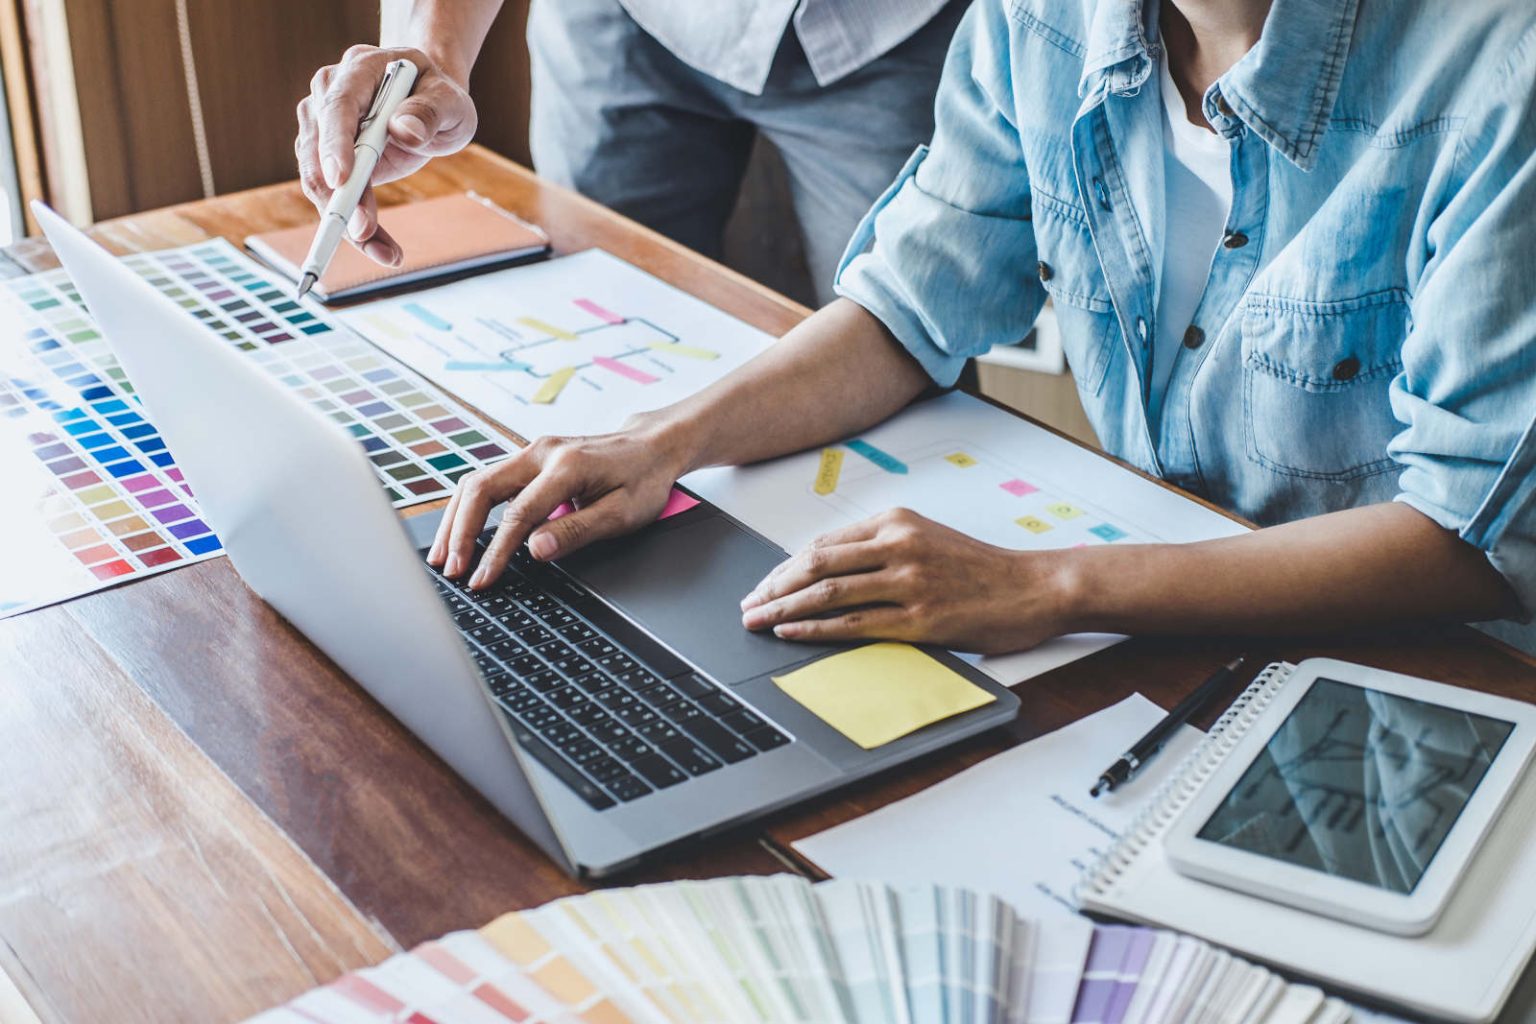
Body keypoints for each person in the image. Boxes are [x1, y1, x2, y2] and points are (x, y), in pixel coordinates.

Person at [300, 0, 1535, 657]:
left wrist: (1047, 586)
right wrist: (661, 441)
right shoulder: (1040, 17)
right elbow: (908, 303)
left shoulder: (1497, 74)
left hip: (1416, 669)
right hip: (1154, 624)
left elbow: (1469, 543)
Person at [296, 0, 971, 307]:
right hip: (623, 17)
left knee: (900, 346)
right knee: (600, 319)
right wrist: (432, 55)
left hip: (890, 27)